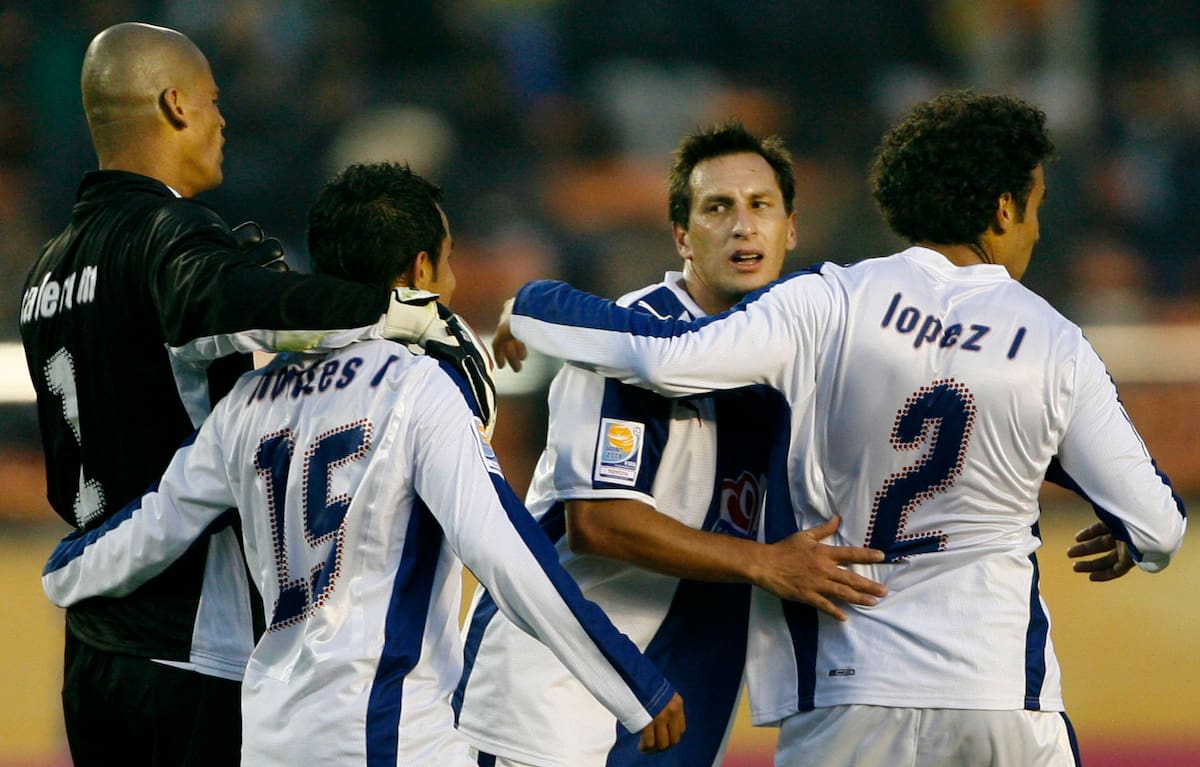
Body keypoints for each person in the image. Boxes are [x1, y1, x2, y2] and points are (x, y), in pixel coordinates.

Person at [494, 90, 1187, 766]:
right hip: (1001, 694)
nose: (1037, 227)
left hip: (846, 698)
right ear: (1005, 209)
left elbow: (659, 355)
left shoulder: (828, 300)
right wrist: (1129, 524)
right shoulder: (1055, 343)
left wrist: (535, 301)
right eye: (1035, 207)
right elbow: (1157, 525)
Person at [41, 161, 685, 766]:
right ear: (421, 268)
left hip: (268, 737)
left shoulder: (245, 403)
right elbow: (509, 557)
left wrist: (63, 572)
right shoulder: (418, 386)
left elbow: (150, 529)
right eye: (450, 262)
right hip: (385, 734)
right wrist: (632, 682)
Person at [18, 22, 481, 767]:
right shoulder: (167, 232)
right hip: (195, 640)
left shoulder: (46, 270)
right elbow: (225, 299)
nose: (223, 121)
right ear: (174, 104)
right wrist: (393, 310)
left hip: (95, 651)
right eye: (211, 101)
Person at [454, 121, 887, 767]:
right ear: (683, 234)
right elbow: (601, 523)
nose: (743, 226)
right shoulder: (624, 346)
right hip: (555, 697)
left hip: (686, 685)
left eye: (760, 206)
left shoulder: (796, 355)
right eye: (718, 207)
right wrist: (766, 562)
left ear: (790, 228)